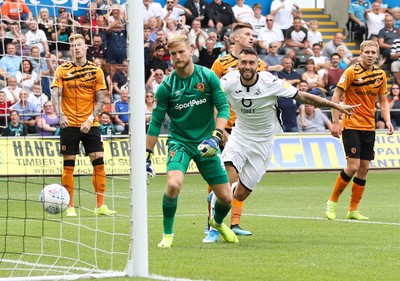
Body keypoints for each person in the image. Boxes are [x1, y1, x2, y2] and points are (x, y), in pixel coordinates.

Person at [206, 48, 358, 243]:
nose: (247, 66)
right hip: (239, 136)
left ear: (257, 65)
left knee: (241, 195)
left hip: (263, 142)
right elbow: (209, 100)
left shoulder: (269, 82)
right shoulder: (228, 81)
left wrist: (335, 105)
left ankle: (217, 203)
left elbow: (303, 96)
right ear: (238, 64)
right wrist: (218, 131)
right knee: (227, 182)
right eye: (243, 62)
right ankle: (215, 227)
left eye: (251, 63)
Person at [146, 34, 238, 248]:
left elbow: (224, 108)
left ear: (190, 51)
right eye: (173, 54)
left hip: (207, 144)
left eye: (181, 52)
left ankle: (216, 222)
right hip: (180, 143)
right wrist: (146, 155)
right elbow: (156, 122)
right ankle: (168, 234)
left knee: (226, 198)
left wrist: (217, 133)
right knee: (172, 184)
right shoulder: (166, 87)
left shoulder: (207, 77)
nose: (177, 57)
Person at [325, 40, 394, 221]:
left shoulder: (380, 75)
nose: (370, 55)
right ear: (361, 54)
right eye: (367, 52)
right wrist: (335, 122)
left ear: (377, 54)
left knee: (364, 167)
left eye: (373, 52)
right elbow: (336, 96)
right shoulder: (351, 72)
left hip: (369, 126)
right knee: (353, 166)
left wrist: (387, 121)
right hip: (351, 124)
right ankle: (332, 202)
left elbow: (382, 101)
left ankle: (353, 209)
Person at [208, 22, 266, 239]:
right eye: (247, 34)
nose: (251, 38)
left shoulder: (256, 64)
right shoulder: (220, 63)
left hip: (245, 127)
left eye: (253, 35)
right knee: (217, 172)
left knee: (240, 177)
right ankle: (211, 224)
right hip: (224, 125)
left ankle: (234, 223)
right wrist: (218, 128)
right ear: (235, 38)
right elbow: (211, 96)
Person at [51, 33, 116, 217]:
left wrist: (90, 119)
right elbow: (56, 94)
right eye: (72, 45)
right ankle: (70, 206)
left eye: (79, 45)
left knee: (99, 162)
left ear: (85, 47)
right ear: (70, 49)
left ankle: (100, 205)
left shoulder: (96, 71)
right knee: (68, 165)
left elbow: (101, 98)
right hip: (68, 123)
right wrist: (60, 114)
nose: (76, 48)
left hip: (91, 123)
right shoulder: (62, 70)